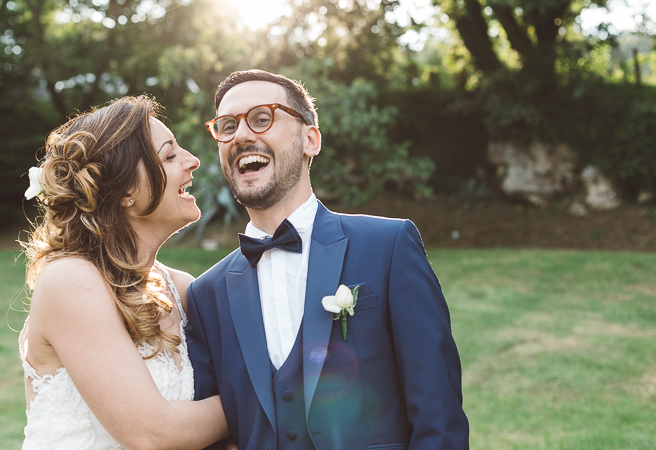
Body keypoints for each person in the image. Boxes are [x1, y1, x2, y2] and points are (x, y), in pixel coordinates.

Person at [186, 70, 469, 450]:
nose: (240, 135)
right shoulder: (206, 295)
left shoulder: (388, 246)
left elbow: (438, 411)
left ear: (310, 140)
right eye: (227, 125)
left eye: (261, 118)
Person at [19, 96, 231, 450]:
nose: (192, 161)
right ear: (127, 191)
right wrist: (265, 397)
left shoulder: (181, 288)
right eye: (169, 155)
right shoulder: (70, 282)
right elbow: (152, 433)